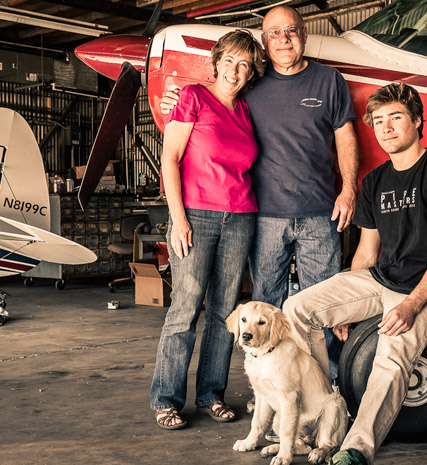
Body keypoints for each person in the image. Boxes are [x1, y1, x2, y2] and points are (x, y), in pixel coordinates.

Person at [161, 6, 359, 384]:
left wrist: (348, 190)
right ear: (265, 43)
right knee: (264, 308)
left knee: (322, 307)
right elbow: (210, 99)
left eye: (291, 31)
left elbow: (345, 137)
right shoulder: (251, 85)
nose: (284, 39)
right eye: (274, 33)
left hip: (320, 212)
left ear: (303, 33)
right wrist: (170, 99)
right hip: (264, 216)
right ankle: (269, 387)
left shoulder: (329, 80)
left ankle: (327, 386)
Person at [283, 83, 427, 465]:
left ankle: (356, 449)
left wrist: (411, 306)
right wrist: (349, 307)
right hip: (380, 279)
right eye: (379, 121)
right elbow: (367, 252)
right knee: (296, 308)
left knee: (391, 356)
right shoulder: (374, 182)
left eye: (396, 118)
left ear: (417, 121)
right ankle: (324, 408)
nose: (386, 128)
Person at [150, 30, 265, 430]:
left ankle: (211, 394)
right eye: (229, 61)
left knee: (223, 314)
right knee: (185, 309)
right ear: (216, 63)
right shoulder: (192, 97)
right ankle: (166, 399)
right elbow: (170, 159)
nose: (235, 70)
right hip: (196, 215)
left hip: (241, 217)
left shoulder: (247, 112)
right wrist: (177, 218)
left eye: (244, 64)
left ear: (251, 72)